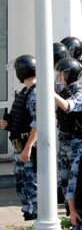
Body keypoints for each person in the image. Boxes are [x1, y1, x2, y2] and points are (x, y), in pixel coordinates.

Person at [0, 55, 38, 220]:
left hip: (27, 145)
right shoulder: (24, 92)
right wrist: (7, 123)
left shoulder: (35, 93)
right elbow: (20, 117)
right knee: (21, 182)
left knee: (31, 183)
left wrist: (28, 147)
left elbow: (38, 123)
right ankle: (28, 212)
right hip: (18, 145)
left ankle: (37, 215)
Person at [54, 57, 82, 200]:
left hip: (77, 141)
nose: (59, 76)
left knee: (76, 177)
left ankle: (77, 206)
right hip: (64, 139)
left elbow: (68, 106)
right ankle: (68, 206)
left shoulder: (81, 92)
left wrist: (51, 93)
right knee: (63, 177)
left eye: (62, 73)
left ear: (71, 74)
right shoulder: (62, 91)